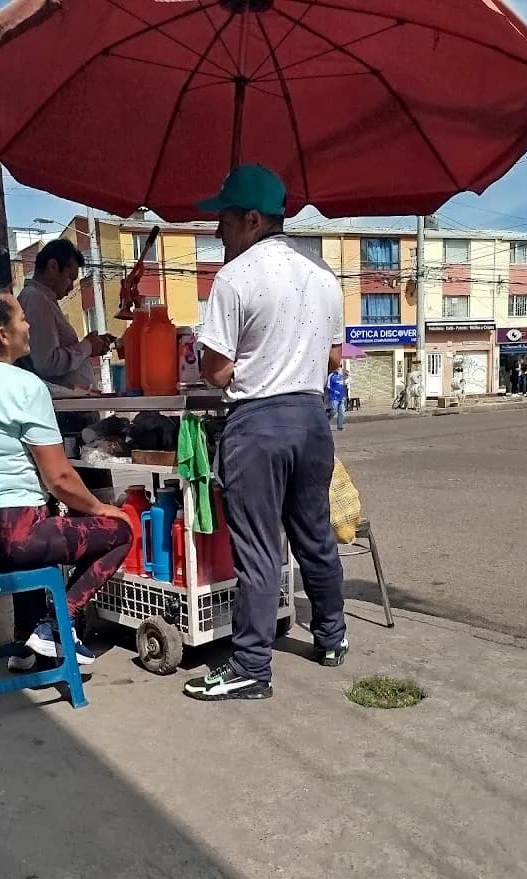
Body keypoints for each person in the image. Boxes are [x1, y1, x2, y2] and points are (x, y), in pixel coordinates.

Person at [183, 164, 347, 702]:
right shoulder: (322, 273)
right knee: (314, 535)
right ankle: (331, 637)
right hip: (311, 419)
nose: (217, 232)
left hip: (257, 423)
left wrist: (250, 364)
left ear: (252, 219)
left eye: (224, 221)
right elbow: (333, 356)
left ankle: (251, 667)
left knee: (257, 549)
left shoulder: (234, 278)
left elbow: (215, 372)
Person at [0, 285, 132, 673]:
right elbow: (60, 478)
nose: (29, 323)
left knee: (44, 531)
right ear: (2, 334)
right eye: (21, 317)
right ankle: (56, 626)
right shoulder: (24, 385)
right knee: (119, 531)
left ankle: (30, 646)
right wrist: (104, 508)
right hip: (9, 535)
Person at [18, 237, 110, 391]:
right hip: (64, 409)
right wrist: (87, 346)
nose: (71, 286)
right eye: (70, 277)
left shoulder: (44, 299)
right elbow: (46, 363)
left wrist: (90, 346)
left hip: (72, 405)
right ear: (53, 267)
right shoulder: (35, 298)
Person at [326, 365, 347, 430]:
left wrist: (344, 395)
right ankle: (326, 421)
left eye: (340, 367)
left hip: (341, 397)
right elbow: (328, 386)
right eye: (337, 368)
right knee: (334, 411)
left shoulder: (341, 376)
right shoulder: (331, 376)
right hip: (334, 397)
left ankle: (340, 426)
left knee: (342, 412)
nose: (339, 369)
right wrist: (334, 391)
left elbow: (343, 386)